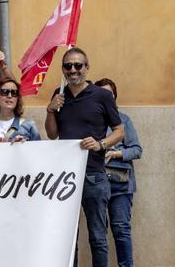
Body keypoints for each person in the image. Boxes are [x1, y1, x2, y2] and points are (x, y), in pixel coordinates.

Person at [45, 47, 124, 267]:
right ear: (63, 69)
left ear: (87, 68)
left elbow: (120, 131)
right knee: (68, 238)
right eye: (68, 66)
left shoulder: (103, 96)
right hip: (66, 178)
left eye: (78, 65)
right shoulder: (58, 94)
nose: (73, 70)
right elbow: (52, 135)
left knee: (98, 237)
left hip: (94, 176)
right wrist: (50, 110)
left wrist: (100, 144)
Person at [94, 77, 141, 267]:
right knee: (99, 232)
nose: (107, 98)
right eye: (103, 94)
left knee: (121, 230)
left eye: (110, 94)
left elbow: (137, 149)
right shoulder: (91, 119)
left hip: (121, 185)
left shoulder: (124, 120)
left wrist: (117, 153)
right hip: (96, 183)